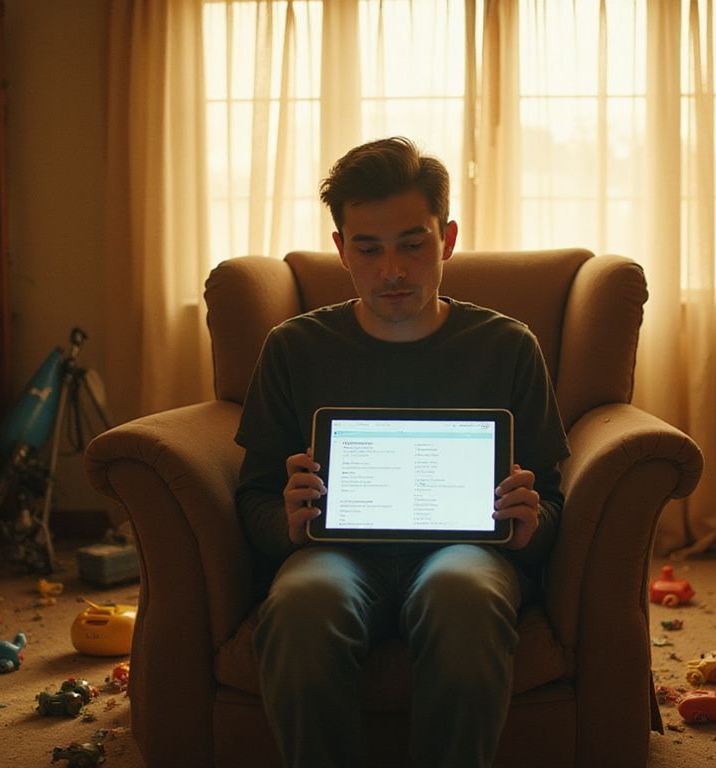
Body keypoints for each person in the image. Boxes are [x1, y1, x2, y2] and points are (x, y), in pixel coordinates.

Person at [234, 136, 569, 768]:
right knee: (303, 603)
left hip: (464, 553)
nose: (392, 270)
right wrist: (286, 521)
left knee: (463, 593)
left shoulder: (508, 347)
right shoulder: (293, 348)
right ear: (341, 250)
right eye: (369, 248)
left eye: (412, 245)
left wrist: (530, 526)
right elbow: (250, 499)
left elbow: (549, 504)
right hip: (335, 553)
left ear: (447, 240)